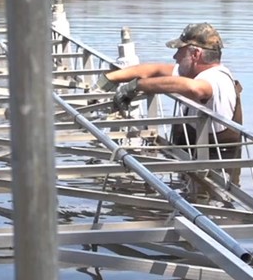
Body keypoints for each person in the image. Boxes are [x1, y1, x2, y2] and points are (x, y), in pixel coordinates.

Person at [97, 23, 243, 183]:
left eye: (180, 52)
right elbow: (155, 70)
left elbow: (196, 89)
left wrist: (135, 87)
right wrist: (111, 78)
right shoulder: (196, 72)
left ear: (195, 54)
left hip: (216, 181)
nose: (175, 57)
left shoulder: (216, 78)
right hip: (191, 170)